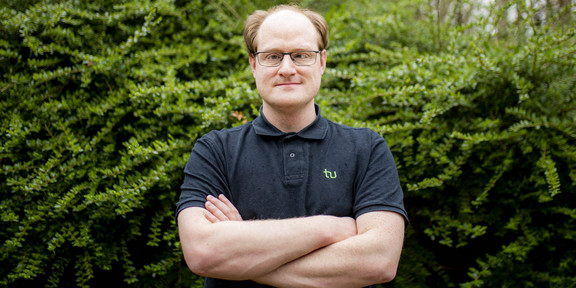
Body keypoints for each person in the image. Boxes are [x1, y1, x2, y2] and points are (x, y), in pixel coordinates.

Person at [176, 4, 408, 288]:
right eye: (272, 56)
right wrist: (330, 228)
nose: (287, 69)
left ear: (322, 62)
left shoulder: (368, 148)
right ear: (253, 64)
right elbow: (202, 253)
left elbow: (379, 261)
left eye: (301, 55)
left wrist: (242, 253)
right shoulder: (214, 151)